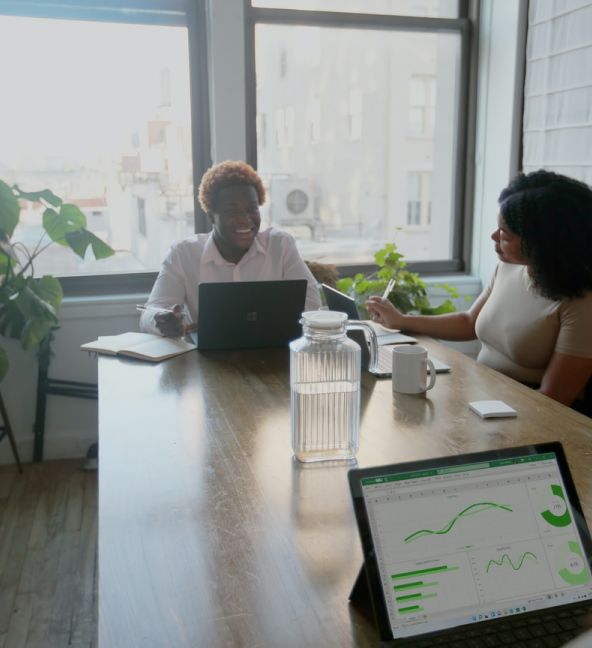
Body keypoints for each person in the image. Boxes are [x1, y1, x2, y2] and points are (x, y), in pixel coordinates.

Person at [366, 170, 592, 413]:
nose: (494, 236)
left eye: (505, 234)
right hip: (482, 396)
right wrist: (401, 321)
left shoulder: (582, 301)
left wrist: (473, 408)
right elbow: (469, 321)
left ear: (543, 243)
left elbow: (553, 401)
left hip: (522, 413)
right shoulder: (508, 268)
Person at [140, 160, 321, 338]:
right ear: (212, 216)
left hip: (271, 356)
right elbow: (149, 314)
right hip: (207, 361)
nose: (245, 219)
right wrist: (164, 321)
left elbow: (312, 306)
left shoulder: (280, 246)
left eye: (252, 209)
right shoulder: (183, 254)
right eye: (232, 211)